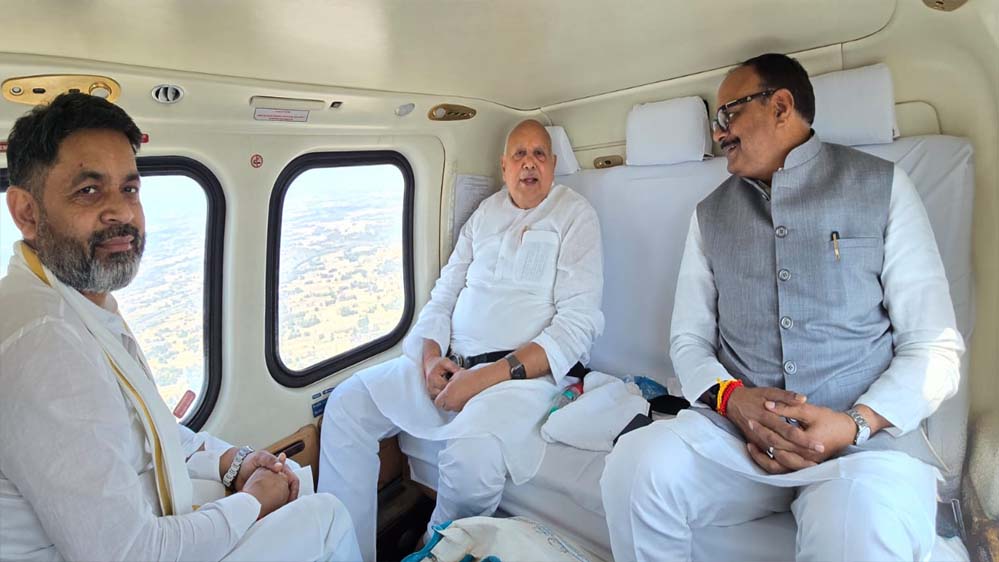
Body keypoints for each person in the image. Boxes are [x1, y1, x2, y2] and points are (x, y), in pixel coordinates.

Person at [601, 53, 964, 561]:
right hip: (737, 438)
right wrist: (731, 400)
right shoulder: (710, 215)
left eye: (728, 114)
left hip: (859, 448)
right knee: (634, 467)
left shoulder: (883, 188)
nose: (718, 133)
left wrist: (854, 424)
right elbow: (689, 339)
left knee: (856, 529)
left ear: (780, 106)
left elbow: (934, 348)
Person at [0, 92, 361, 562]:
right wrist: (254, 502)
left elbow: (145, 431)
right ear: (27, 212)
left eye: (129, 189)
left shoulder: (76, 300)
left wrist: (233, 462)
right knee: (325, 517)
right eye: (89, 190)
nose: (122, 213)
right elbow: (129, 554)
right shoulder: (43, 343)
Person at [318, 119, 604, 561]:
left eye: (539, 154)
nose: (529, 163)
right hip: (451, 366)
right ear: (504, 166)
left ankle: (431, 549)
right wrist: (431, 359)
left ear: (552, 165)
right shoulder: (484, 215)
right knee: (348, 404)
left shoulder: (575, 215)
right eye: (520, 154)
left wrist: (482, 379)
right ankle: (346, 553)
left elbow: (577, 325)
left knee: (472, 459)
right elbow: (443, 295)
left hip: (520, 380)